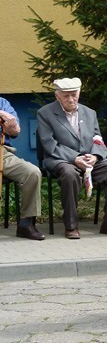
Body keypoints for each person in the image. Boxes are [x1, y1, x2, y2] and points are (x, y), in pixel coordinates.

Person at [38, 78, 107, 240]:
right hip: (61, 159)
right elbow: (50, 145)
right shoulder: (45, 113)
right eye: (66, 96)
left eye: (74, 95)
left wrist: (95, 155)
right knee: (70, 175)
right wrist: (74, 158)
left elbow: (97, 138)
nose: (71, 99)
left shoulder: (89, 112)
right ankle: (71, 225)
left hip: (89, 158)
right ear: (57, 96)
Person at [0, 97, 44, 240]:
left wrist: (11, 124)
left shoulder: (3, 102)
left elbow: (16, 131)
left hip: (2, 152)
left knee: (32, 172)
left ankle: (26, 223)